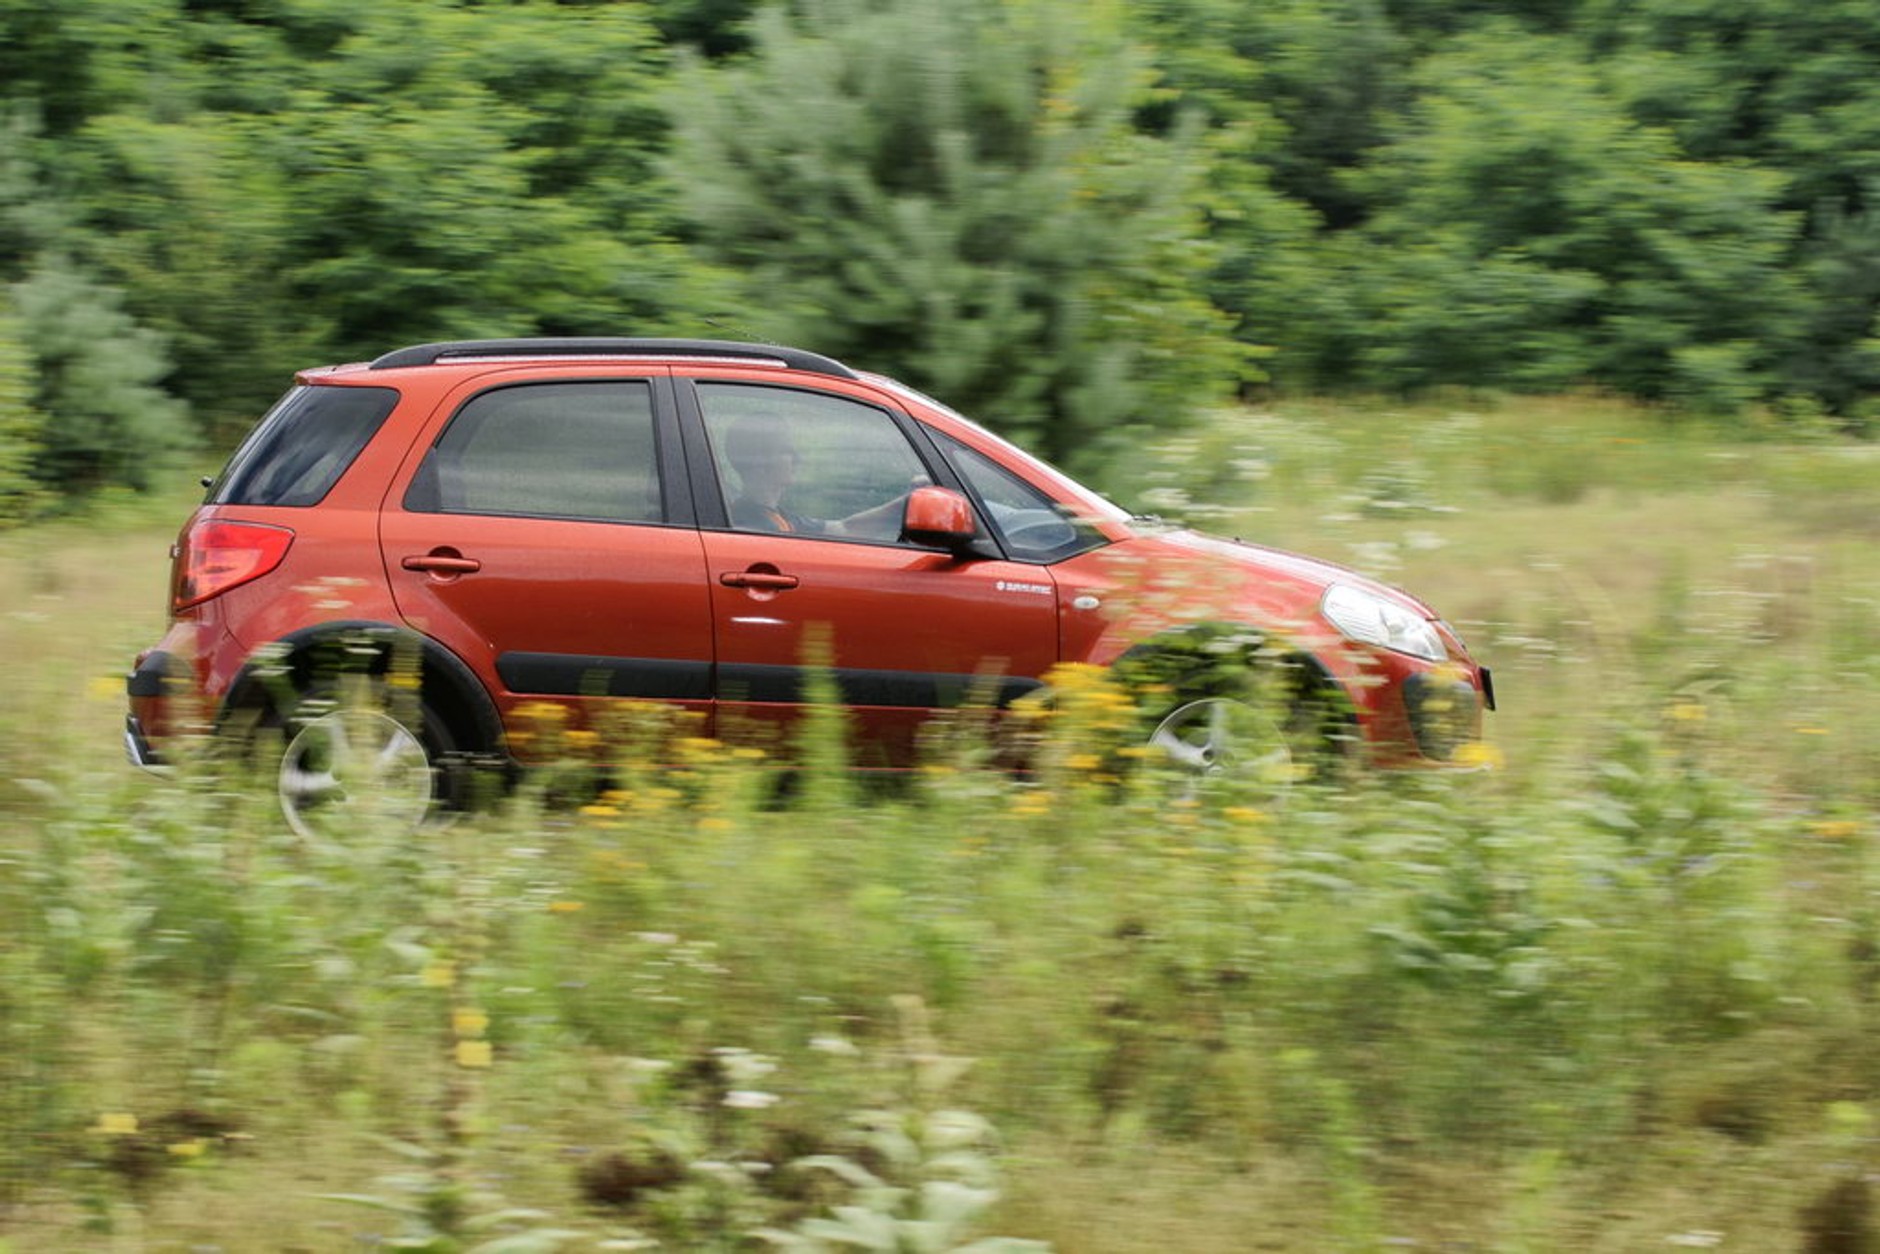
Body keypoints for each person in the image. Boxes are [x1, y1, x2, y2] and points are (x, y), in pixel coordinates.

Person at [722, 419, 919, 539]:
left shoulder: (777, 517)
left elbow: (845, 528)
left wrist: (906, 505)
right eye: (786, 450)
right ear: (760, 461)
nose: (798, 458)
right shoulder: (750, 525)